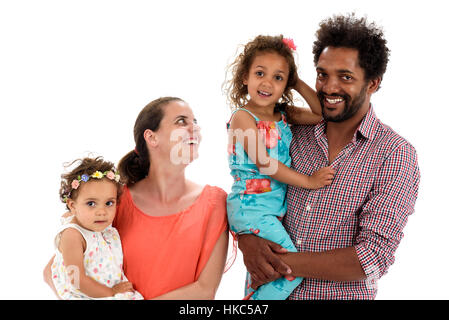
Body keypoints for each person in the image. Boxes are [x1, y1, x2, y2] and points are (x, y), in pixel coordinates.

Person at [237, 14, 420, 300]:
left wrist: (270, 260)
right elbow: (253, 185)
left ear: (373, 83)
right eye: (322, 75)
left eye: (345, 77)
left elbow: (372, 256)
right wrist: (247, 237)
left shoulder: (395, 154)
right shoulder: (291, 130)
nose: (330, 87)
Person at [45, 97, 229, 300]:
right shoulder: (113, 202)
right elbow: (53, 273)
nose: (195, 128)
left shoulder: (214, 203)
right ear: (151, 138)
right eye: (181, 121)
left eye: (195, 122)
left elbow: (205, 290)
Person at [224, 34, 335, 300]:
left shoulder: (284, 114)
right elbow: (264, 163)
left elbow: (321, 113)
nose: (267, 83)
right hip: (250, 207)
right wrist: (308, 181)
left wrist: (296, 81)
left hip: (270, 209)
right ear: (245, 77)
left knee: (262, 274)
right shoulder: (242, 117)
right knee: (290, 268)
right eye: (260, 73)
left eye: (278, 77)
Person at [51, 156, 143, 300]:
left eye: (109, 203)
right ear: (73, 205)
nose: (102, 212)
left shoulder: (100, 228)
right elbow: (76, 279)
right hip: (86, 295)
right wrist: (111, 292)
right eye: (91, 203)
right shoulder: (73, 236)